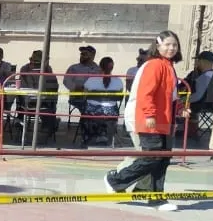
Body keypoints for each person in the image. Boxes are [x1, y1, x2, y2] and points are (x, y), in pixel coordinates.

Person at [107, 31, 186, 209]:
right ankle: (116, 179)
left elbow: (172, 96)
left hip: (164, 119)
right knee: (152, 156)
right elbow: (145, 93)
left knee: (162, 159)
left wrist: (181, 109)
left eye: (174, 45)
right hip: (149, 118)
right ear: (157, 46)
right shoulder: (154, 65)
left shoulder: (169, 66)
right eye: (167, 44)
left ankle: (156, 198)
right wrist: (149, 114)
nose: (172, 48)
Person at [19, 50, 59, 135]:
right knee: (51, 103)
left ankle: (20, 123)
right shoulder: (49, 74)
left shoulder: (47, 71)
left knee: (20, 100)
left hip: (27, 104)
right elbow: (54, 89)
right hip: (42, 104)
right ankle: (49, 125)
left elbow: (21, 88)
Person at [63, 45, 101, 114]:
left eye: (85, 54)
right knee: (88, 106)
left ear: (92, 55)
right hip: (78, 97)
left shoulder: (98, 69)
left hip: (95, 97)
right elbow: (66, 81)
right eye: (81, 54)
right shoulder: (74, 68)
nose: (82, 56)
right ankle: (86, 122)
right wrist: (76, 87)